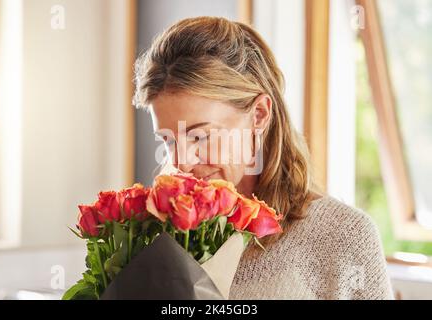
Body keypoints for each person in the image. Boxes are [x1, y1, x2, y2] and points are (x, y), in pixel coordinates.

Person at [132, 16, 394, 300]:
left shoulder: (342, 236)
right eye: (169, 140)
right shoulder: (160, 237)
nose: (182, 162)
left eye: (200, 136)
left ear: (259, 115)